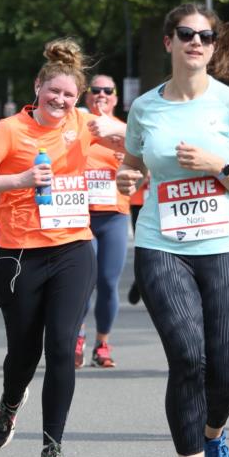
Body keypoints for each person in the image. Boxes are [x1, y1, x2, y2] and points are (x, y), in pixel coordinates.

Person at [116, 4, 229, 457]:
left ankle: (214, 434)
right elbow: (131, 169)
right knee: (187, 359)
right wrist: (128, 181)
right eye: (186, 34)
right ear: (169, 43)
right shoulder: (145, 109)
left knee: (225, 371)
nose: (197, 42)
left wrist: (217, 164)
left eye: (206, 35)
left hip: (223, 244)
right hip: (161, 245)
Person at [0, 39, 123, 457]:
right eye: (54, 92)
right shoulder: (9, 129)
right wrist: (23, 178)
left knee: (61, 349)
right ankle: (10, 404)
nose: (61, 101)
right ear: (38, 87)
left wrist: (128, 154)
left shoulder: (83, 123)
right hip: (19, 255)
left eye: (69, 95)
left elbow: (132, 139)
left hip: (73, 249)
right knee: (24, 354)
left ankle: (53, 450)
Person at [75, 74, 129, 369]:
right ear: (87, 97)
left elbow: (141, 171)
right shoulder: (77, 128)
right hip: (81, 216)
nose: (101, 94)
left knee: (108, 283)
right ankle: (78, 337)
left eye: (108, 90)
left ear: (116, 97)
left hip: (114, 215)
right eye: (95, 90)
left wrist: (130, 169)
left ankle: (103, 342)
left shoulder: (124, 130)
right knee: (84, 282)